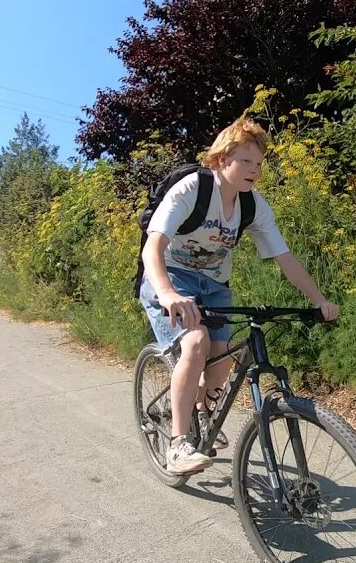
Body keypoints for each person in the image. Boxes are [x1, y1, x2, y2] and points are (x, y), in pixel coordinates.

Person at [138, 118, 339, 473]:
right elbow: (153, 246)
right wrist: (168, 293)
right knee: (196, 343)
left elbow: (285, 258)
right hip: (171, 279)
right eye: (245, 161)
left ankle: (199, 412)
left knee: (222, 360)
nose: (254, 170)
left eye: (259, 163)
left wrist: (319, 299)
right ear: (220, 159)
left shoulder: (253, 205)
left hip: (214, 285)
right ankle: (179, 444)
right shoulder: (191, 190)